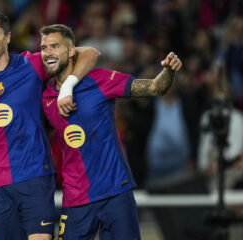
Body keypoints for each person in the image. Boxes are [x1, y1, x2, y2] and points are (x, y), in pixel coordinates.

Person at [0, 8, 99, 240]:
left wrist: (67, 87)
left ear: (8, 37)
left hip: (35, 177)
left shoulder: (31, 65)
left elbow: (90, 53)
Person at [38, 24, 181, 240]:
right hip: (75, 199)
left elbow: (156, 87)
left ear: (70, 51)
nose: (47, 52)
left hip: (115, 192)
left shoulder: (101, 79)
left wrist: (168, 71)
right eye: (44, 47)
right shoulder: (45, 97)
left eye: (54, 46)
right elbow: (31, 132)